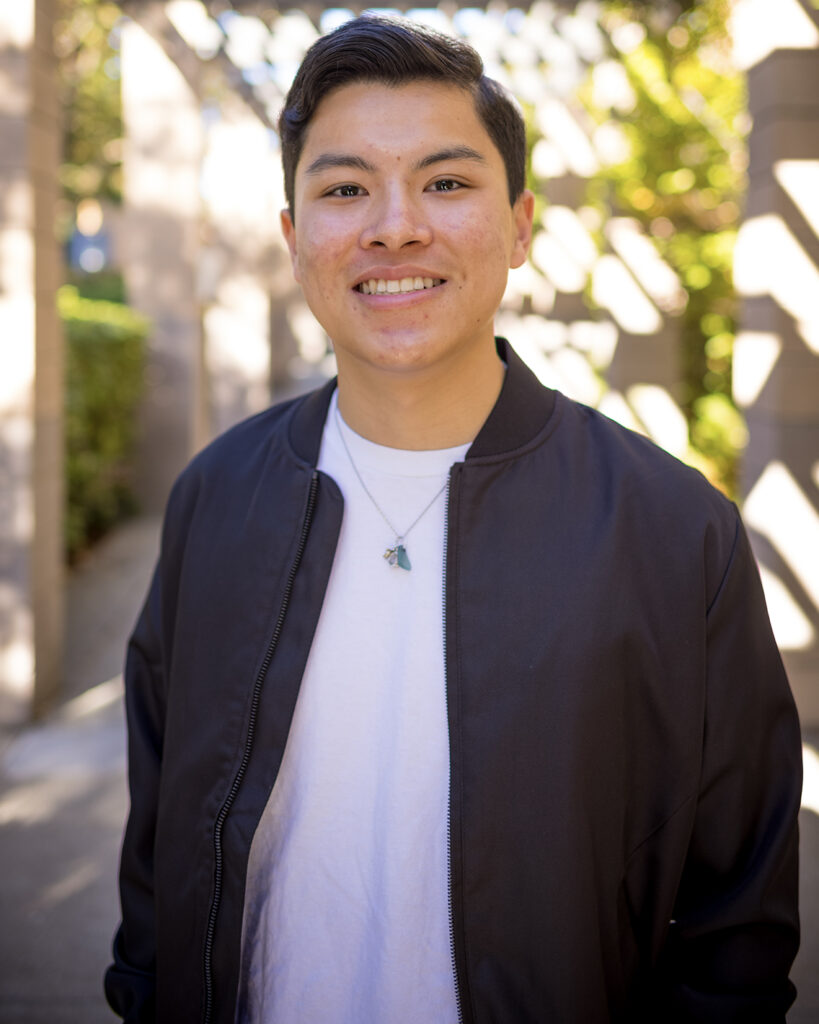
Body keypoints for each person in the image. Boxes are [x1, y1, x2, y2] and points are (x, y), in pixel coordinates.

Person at [105, 14, 801, 1024]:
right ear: (296, 237)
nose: (394, 227)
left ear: (519, 226)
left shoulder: (673, 533)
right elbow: (157, 850)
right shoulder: (217, 497)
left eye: (445, 182)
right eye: (345, 189)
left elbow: (737, 919)